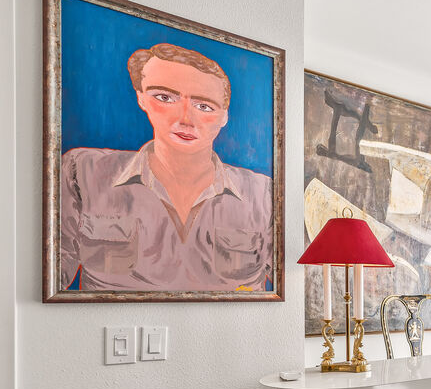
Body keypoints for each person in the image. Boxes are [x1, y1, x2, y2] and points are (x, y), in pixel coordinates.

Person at [60, 43, 273, 292]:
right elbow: (44, 279)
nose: (185, 119)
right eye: (165, 98)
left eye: (204, 106)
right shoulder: (83, 172)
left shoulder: (263, 193)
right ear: (141, 98)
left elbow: (293, 287)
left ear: (224, 116)